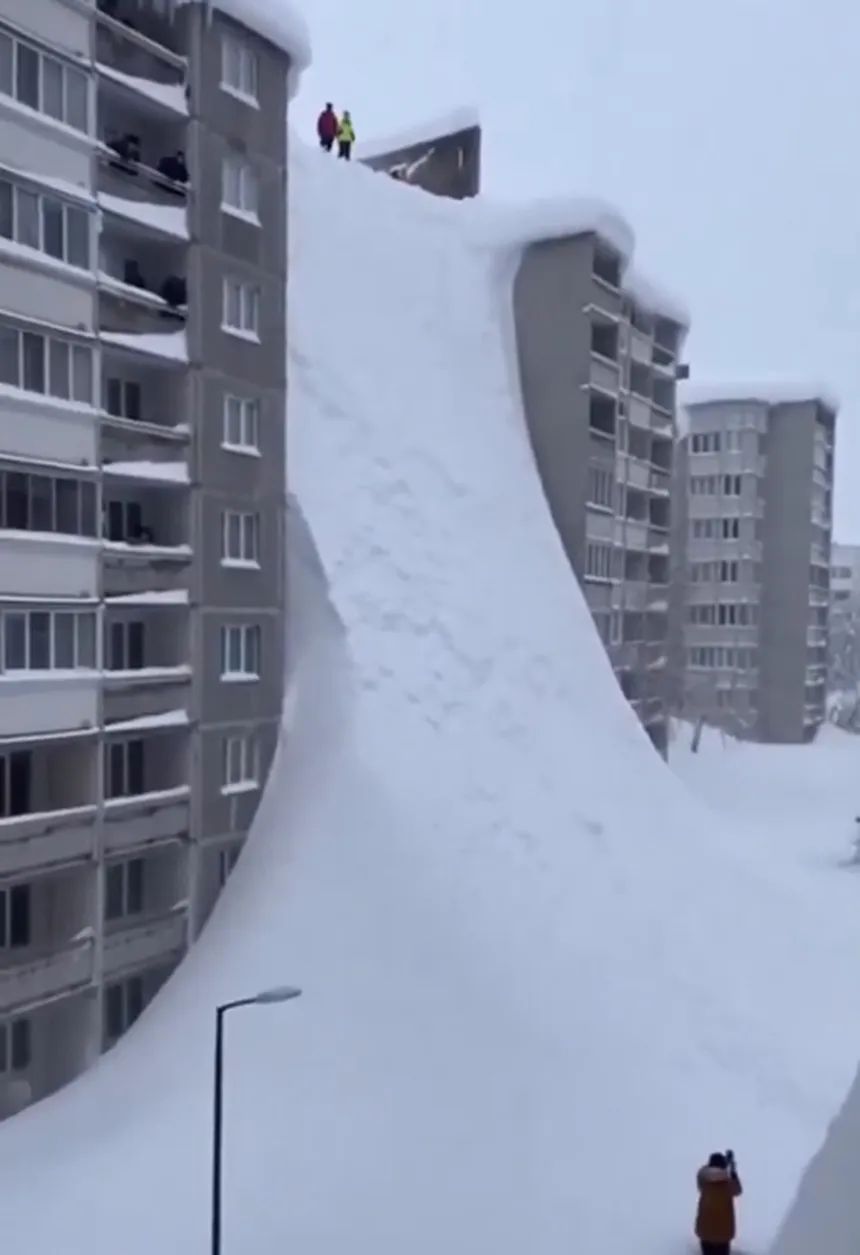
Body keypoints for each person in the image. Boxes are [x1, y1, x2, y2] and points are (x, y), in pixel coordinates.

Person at [695, 1151, 743, 1255]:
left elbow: (706, 1172)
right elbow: (738, 1190)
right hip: (723, 1233)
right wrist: (733, 1171)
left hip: (705, 1230)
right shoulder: (728, 1183)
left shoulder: (703, 1179)